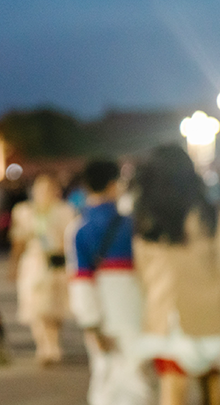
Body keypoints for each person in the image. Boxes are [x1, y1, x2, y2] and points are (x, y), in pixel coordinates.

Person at [131, 145, 220, 405]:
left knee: (172, 391)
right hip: (211, 314)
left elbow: (142, 273)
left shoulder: (144, 220)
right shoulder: (207, 214)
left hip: (166, 315)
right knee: (214, 390)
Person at [66, 160, 149, 405]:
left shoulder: (78, 229)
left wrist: (90, 323)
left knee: (105, 375)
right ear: (113, 185)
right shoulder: (134, 224)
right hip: (133, 307)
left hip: (100, 312)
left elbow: (81, 281)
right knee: (136, 377)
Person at [9, 174, 74, 364]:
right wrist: (13, 264)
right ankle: (43, 346)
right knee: (35, 307)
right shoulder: (24, 211)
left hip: (56, 263)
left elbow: (69, 238)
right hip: (34, 263)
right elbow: (18, 240)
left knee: (54, 308)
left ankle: (53, 344)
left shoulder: (64, 211)